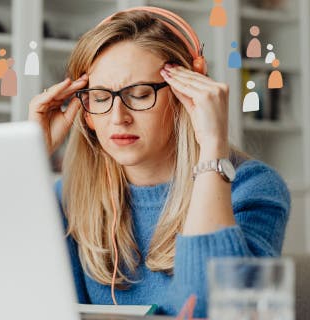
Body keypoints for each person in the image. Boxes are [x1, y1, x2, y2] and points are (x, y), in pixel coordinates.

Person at [27, 7, 290, 317]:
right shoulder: (68, 197)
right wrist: (30, 156)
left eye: (139, 94)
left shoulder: (253, 189)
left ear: (186, 95)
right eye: (99, 98)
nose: (117, 118)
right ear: (85, 111)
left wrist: (211, 147)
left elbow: (214, 310)